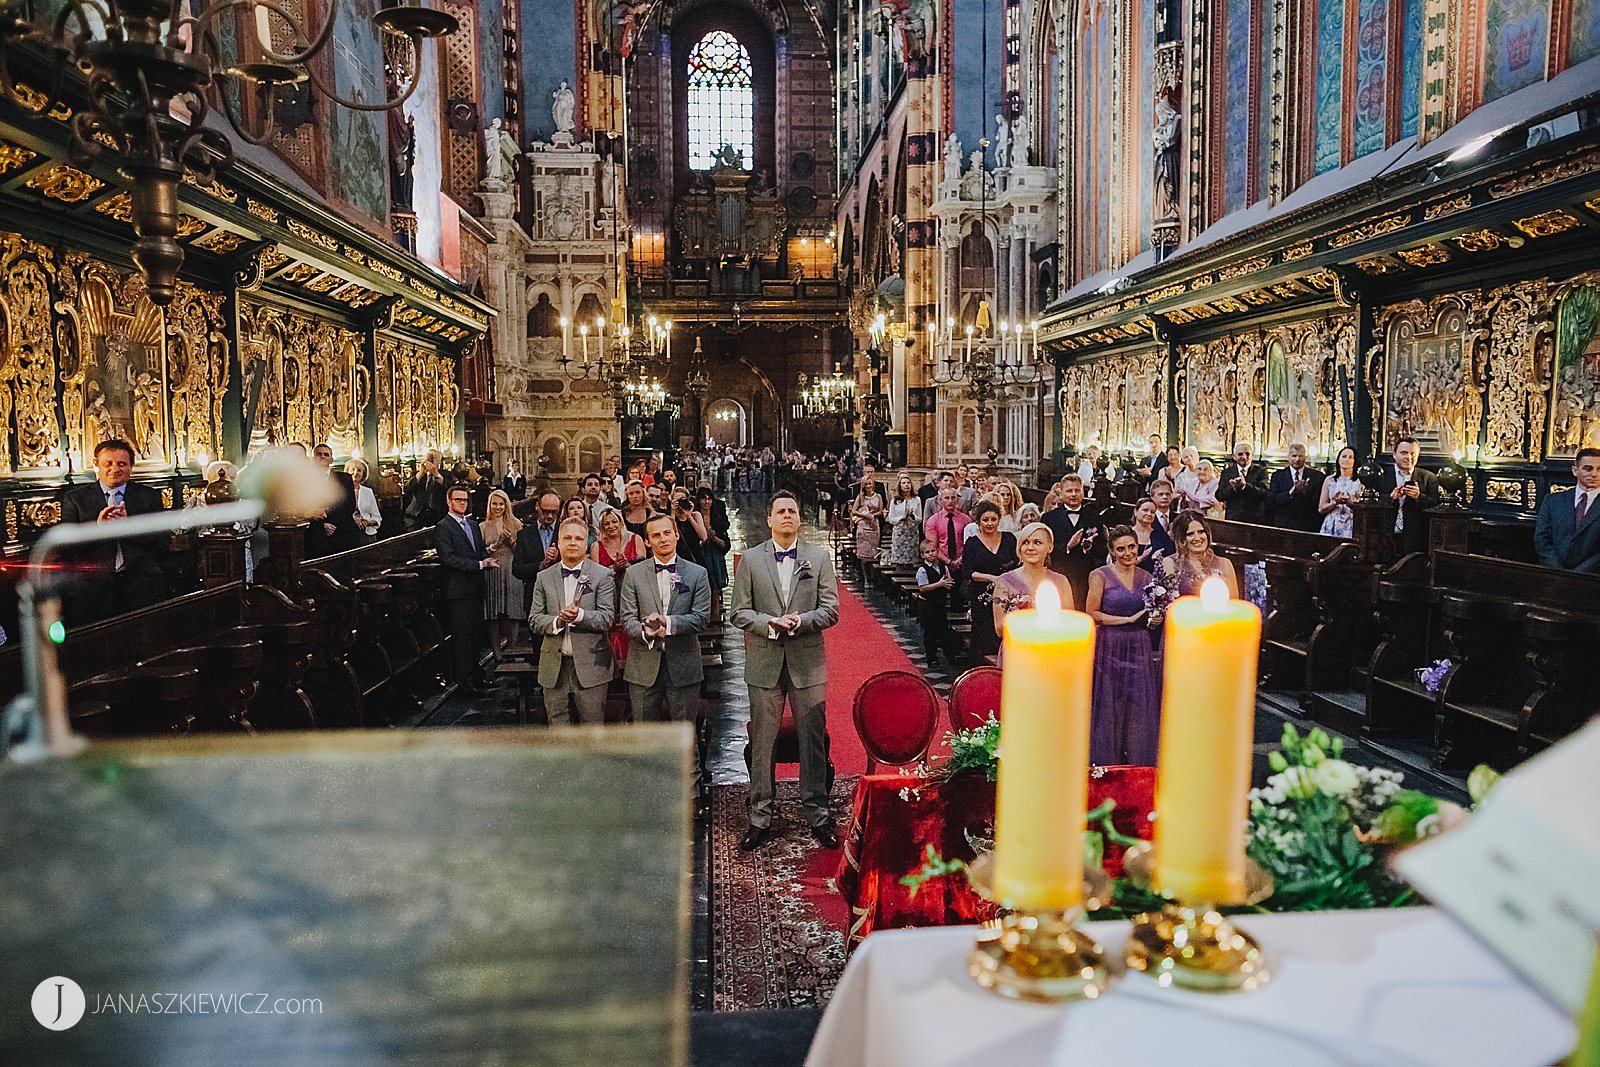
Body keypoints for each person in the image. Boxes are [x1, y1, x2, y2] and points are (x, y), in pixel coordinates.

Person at [731, 491, 841, 851]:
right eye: (780, 511)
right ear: (769, 520)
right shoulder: (750, 559)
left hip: (807, 662)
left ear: (800, 519)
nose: (787, 516)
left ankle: (818, 814)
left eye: (792, 511)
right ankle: (760, 815)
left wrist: (800, 621)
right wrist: (769, 623)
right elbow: (739, 612)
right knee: (763, 742)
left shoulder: (818, 558)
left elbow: (831, 610)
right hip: (764, 662)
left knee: (812, 739)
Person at [621, 514, 712, 796]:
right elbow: (626, 618)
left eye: (667, 533)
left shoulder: (697, 573)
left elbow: (701, 618)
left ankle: (691, 794)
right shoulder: (634, 574)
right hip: (643, 665)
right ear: (647, 541)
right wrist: (646, 631)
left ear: (675, 535)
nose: (662, 539)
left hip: (682, 664)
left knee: (685, 733)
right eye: (656, 535)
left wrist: (668, 625)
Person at [60, 438, 168, 624]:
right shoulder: (75, 499)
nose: (114, 469)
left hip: (141, 587)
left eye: (122, 464)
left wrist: (129, 527)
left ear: (131, 467)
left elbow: (162, 542)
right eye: (108, 463)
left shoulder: (149, 497)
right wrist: (98, 529)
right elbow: (67, 548)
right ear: (97, 465)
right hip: (93, 590)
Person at [529, 516, 616, 725]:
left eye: (578, 538)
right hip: (554, 667)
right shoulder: (544, 577)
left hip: (591, 665)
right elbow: (534, 619)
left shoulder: (602, 575)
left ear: (586, 543)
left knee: (592, 729)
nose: (572, 543)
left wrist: (580, 616)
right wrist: (557, 622)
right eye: (567, 538)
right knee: (558, 732)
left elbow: (607, 618)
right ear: (558, 542)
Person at [1087, 526, 1162, 766]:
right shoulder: (1099, 575)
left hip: (1139, 645)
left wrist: (1154, 619)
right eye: (1121, 549)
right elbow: (1092, 613)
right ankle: (1107, 764)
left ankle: (1137, 765)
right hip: (1109, 644)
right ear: (1112, 551)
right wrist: (1126, 620)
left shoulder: (1148, 578)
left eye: (1132, 547)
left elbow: (1151, 616)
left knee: (1138, 706)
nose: (1128, 553)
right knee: (1111, 706)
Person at [435, 484, 496, 694]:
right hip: (458, 591)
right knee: (461, 637)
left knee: (476, 635)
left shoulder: (472, 524)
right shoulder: (444, 526)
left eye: (465, 500)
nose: (462, 503)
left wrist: (487, 558)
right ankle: (464, 679)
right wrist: (479, 565)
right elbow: (448, 558)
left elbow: (478, 551)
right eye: (458, 500)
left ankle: (476, 672)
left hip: (476, 587)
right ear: (449, 502)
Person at [991, 523, 1073, 655]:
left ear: (1050, 547)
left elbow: (1069, 624)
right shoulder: (1004, 582)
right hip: (1016, 653)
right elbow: (1000, 628)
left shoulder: (1061, 581)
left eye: (1037, 542)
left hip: (1051, 653)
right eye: (1025, 543)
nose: (1030, 548)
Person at [962, 501, 1018, 664]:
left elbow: (1016, 561)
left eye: (993, 519)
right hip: (981, 596)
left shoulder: (1009, 539)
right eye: (985, 520)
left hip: (1006, 596)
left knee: (1002, 633)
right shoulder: (972, 543)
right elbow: (967, 572)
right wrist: (992, 578)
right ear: (978, 522)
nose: (990, 523)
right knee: (982, 635)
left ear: (999, 520)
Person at [591, 506, 645, 667]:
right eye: (606, 524)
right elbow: (595, 575)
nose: (611, 526)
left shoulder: (635, 539)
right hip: (608, 596)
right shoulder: (596, 546)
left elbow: (644, 568)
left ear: (621, 522)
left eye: (614, 521)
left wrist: (628, 565)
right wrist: (613, 569)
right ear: (601, 527)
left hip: (632, 593)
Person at [1534, 447, 1600, 572]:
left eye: (1599, 469)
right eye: (1588, 468)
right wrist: (1559, 571)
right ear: (1575, 471)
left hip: (1592, 579)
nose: (1594, 474)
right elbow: (1542, 539)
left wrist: (1578, 574)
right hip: (1554, 575)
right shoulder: (1552, 501)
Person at [1042, 473, 1101, 611]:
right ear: (1061, 494)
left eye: (1077, 490)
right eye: (1069, 491)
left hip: (1085, 577)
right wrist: (1068, 546)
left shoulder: (1093, 516)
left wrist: (1090, 547)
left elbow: (1103, 548)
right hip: (1060, 575)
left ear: (1082, 493)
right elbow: (1045, 550)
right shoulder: (1049, 518)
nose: (1073, 494)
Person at [481, 488, 526, 657]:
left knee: (512, 612)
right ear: (490, 505)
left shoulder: (516, 524)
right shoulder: (483, 526)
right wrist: (497, 543)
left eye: (501, 504)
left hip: (512, 570)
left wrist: (511, 540)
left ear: (506, 505)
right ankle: (497, 653)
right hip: (492, 570)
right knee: (493, 614)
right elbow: (482, 553)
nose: (498, 507)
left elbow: (521, 551)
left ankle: (512, 651)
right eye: (494, 504)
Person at [1380, 436, 1440, 557]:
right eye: (1404, 453)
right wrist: (1391, 498)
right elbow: (1372, 503)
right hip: (1385, 538)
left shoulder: (1429, 478)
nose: (1408, 457)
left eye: (1413, 453)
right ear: (1394, 454)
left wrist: (1419, 496)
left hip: (1415, 540)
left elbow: (1436, 506)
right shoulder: (1382, 475)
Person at [1161, 511, 1240, 598]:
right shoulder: (1170, 563)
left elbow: (1234, 601)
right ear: (1181, 539)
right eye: (1190, 534)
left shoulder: (1225, 563)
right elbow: (1166, 602)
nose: (1197, 538)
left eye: (1201, 532)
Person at [512, 491, 562, 616]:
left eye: (554, 512)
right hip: (535, 597)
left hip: (561, 596)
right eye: (545, 511)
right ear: (537, 506)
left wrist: (559, 558)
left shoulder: (565, 531)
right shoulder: (524, 535)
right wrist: (540, 566)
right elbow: (517, 569)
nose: (550, 516)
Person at [306, 443, 361, 557]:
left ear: (331, 459)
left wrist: (331, 522)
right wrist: (322, 526)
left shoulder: (344, 478)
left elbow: (349, 505)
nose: (322, 457)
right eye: (318, 454)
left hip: (341, 529)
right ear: (312, 458)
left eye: (326, 454)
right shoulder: (304, 480)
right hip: (314, 532)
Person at [914, 538, 956, 666]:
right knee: (930, 633)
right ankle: (931, 658)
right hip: (928, 605)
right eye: (928, 552)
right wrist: (939, 584)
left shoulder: (943, 567)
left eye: (933, 550)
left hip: (940, 604)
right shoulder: (922, 570)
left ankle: (950, 656)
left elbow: (948, 579)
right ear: (923, 555)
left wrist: (948, 583)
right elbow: (922, 588)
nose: (931, 553)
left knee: (944, 630)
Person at [695, 485, 732, 624]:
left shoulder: (717, 517)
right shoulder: (695, 515)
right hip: (700, 551)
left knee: (715, 584)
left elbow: (725, 543)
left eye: (709, 499)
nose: (706, 502)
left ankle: (715, 614)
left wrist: (713, 538)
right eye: (703, 499)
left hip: (714, 552)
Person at [1269, 443, 1326, 531]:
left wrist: (1305, 491)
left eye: (1301, 456)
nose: (1297, 459)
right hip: (1284, 524)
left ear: (1305, 457)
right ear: (1288, 457)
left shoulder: (1317, 476)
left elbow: (1319, 501)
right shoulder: (1277, 476)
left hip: (1308, 525)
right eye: (1294, 456)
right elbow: (1272, 500)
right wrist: (1291, 492)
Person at [1217, 442, 1270, 524]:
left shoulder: (1261, 471)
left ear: (1252, 455)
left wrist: (1245, 486)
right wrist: (1233, 488)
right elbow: (1219, 495)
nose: (1244, 457)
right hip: (1233, 519)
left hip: (1255, 519)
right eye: (1240, 454)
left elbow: (1265, 494)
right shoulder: (1227, 472)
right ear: (1234, 456)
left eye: (1247, 454)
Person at [923, 485, 972, 570]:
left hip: (963, 562)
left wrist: (959, 560)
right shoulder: (933, 521)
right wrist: (948, 561)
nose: (950, 501)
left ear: (957, 499)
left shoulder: (966, 520)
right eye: (947, 498)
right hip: (940, 563)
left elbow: (970, 543)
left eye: (953, 498)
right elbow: (932, 545)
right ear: (941, 500)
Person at [1318, 446, 1363, 538]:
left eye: (1350, 457)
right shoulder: (1329, 480)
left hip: (1351, 524)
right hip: (1332, 523)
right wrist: (1334, 503)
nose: (1346, 460)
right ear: (1338, 459)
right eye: (1344, 456)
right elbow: (1321, 508)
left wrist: (1350, 502)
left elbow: (1364, 507)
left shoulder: (1360, 481)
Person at [404, 451, 447, 531]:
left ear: (440, 461)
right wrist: (421, 473)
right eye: (429, 457)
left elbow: (448, 489)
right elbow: (407, 490)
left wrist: (436, 474)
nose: (431, 461)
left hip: (437, 516)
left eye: (434, 457)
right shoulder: (418, 475)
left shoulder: (447, 475)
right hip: (416, 516)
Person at [851, 471, 884, 565]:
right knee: (863, 553)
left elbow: (881, 511)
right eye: (866, 484)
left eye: (870, 484)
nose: (868, 486)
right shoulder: (860, 497)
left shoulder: (878, 496)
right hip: (863, 526)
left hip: (874, 525)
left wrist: (873, 515)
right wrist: (865, 515)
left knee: (874, 551)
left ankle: (873, 574)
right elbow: (854, 511)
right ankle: (865, 575)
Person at [1130, 496, 1172, 570]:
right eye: (1145, 510)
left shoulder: (1161, 536)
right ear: (1135, 511)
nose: (1149, 514)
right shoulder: (1125, 534)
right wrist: (1141, 558)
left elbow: (1171, 556)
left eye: (1152, 512)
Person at [345, 459, 382, 537]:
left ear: (363, 474)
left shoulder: (368, 491)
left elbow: (376, 516)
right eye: (353, 469)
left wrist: (367, 522)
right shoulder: (341, 492)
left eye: (359, 470)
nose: (355, 473)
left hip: (367, 532)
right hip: (348, 533)